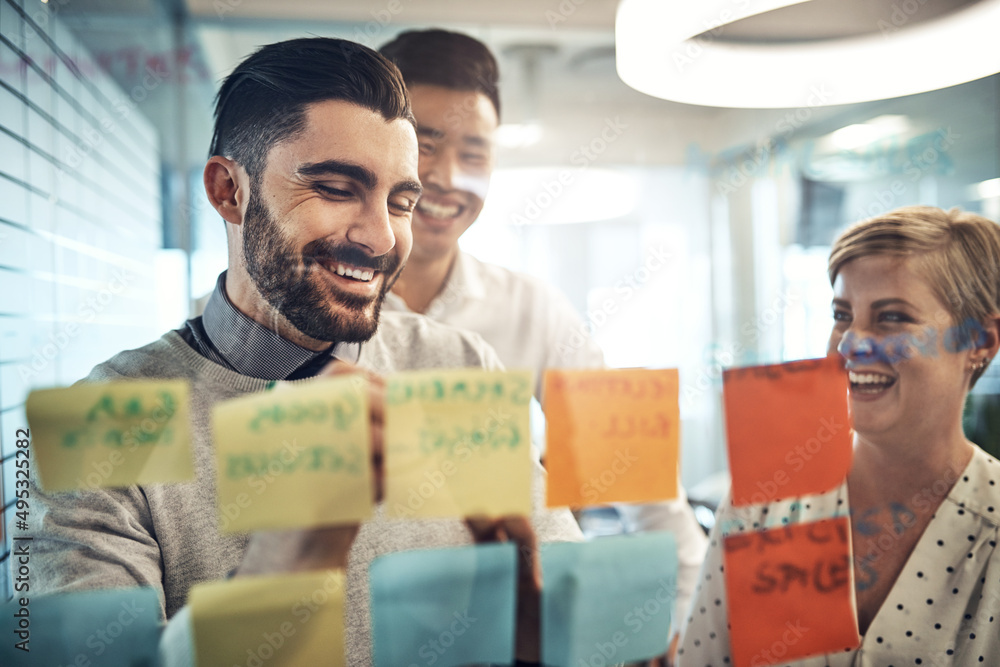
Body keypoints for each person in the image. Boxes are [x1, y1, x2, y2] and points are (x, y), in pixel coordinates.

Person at [26, 37, 582, 666]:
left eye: (401, 201)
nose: (380, 237)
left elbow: (573, 634)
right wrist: (283, 564)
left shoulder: (458, 366)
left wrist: (541, 620)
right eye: (338, 188)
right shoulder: (101, 421)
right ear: (228, 191)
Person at [378, 27, 708, 649]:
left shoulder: (534, 309)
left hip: (497, 635)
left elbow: (639, 481)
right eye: (425, 145)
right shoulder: (313, 310)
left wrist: (691, 629)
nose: (448, 177)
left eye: (475, 154)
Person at [677, 206, 1000, 666]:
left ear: (980, 342)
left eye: (891, 317)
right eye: (842, 314)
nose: (849, 343)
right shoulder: (767, 498)